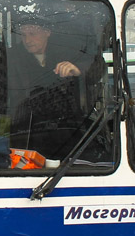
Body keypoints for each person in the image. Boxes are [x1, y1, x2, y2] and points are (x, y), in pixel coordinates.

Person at [6, 15, 96, 158]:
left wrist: (78, 69)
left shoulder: (68, 51)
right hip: (26, 133)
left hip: (68, 130)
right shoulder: (11, 57)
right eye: (23, 35)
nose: (27, 40)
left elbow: (98, 65)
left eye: (32, 34)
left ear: (47, 32)